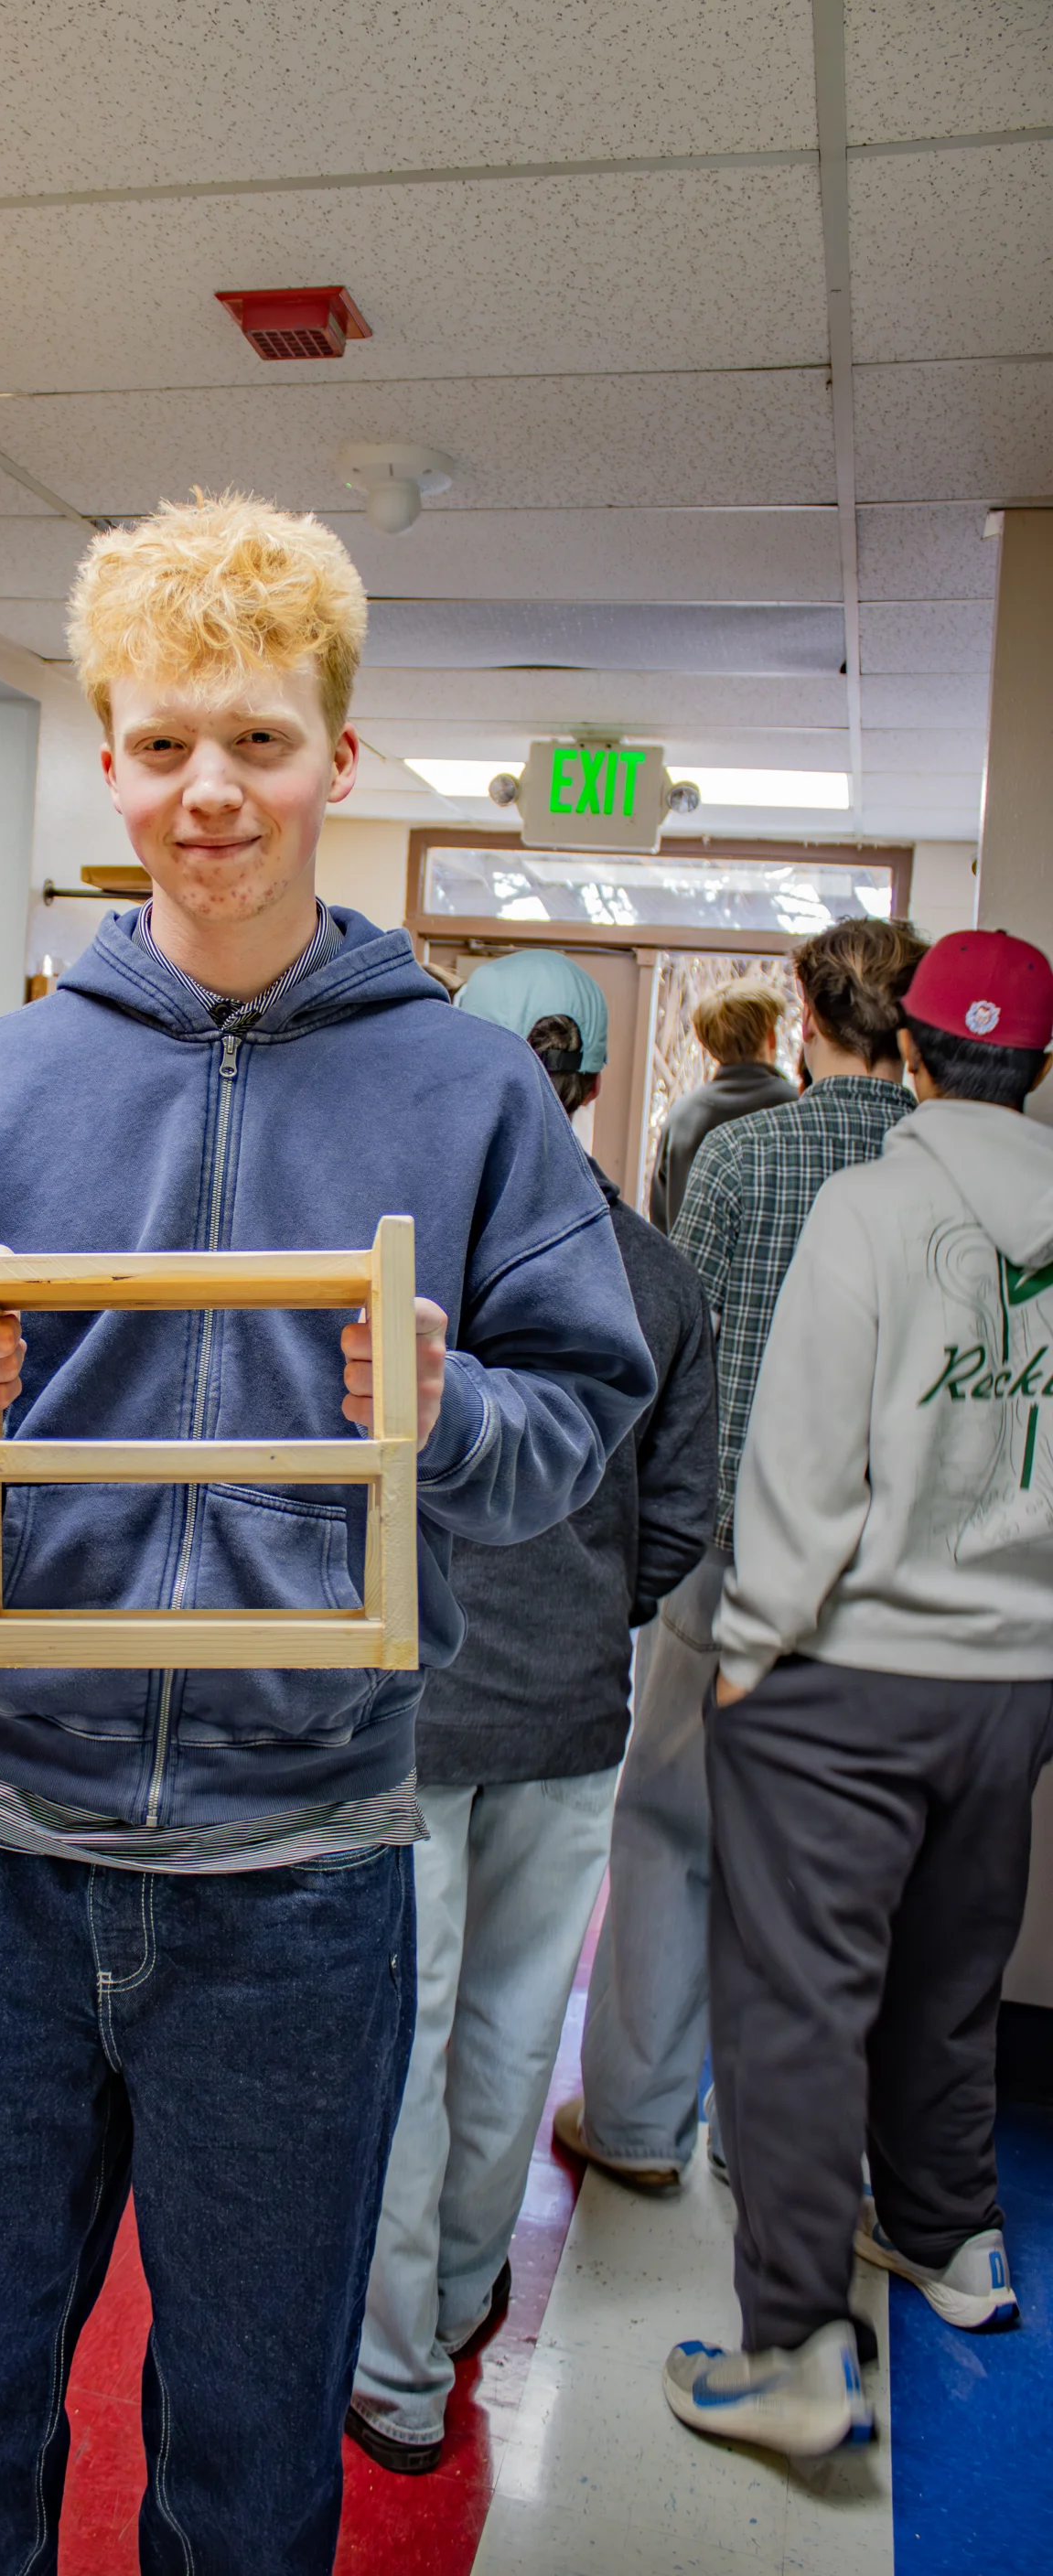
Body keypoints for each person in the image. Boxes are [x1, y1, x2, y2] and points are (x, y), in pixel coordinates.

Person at [0, 493, 656, 2575]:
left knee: (253, 2439)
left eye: (260, 742)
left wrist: (449, 1410)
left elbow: (587, 1416)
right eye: (168, 740)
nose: (213, 792)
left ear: (337, 758)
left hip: (302, 1878)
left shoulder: (464, 1094)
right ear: (109, 752)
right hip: (1, 1848)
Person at [665, 928, 1053, 2454]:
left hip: (852, 1675)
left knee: (796, 2013)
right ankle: (957, 2243)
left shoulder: (872, 1207)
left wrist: (752, 1642)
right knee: (954, 1981)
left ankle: (796, 2355)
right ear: (1038, 1068)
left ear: (907, 1054)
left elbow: (807, 1456)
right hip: (1015, 1680)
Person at [347, 951, 715, 2475]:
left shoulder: (392, 1273)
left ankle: (392, 2375)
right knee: (508, 2027)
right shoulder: (654, 1272)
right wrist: (577, 1617)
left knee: (403, 2036)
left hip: (406, 1714)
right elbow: (679, 1524)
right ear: (594, 1079)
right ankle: (455, 2301)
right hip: (570, 1711)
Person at [558, 913, 928, 2190]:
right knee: (856, 1872)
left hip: (731, 1546)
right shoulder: (949, 1177)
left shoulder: (740, 1156)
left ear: (804, 1017)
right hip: (893, 1575)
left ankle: (641, 2128)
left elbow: (683, 1367)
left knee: (669, 1831)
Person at [647, 976, 796, 1232]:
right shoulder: (798, 1108)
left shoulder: (682, 1116)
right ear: (770, 1037)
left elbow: (660, 1222)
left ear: (709, 1045)